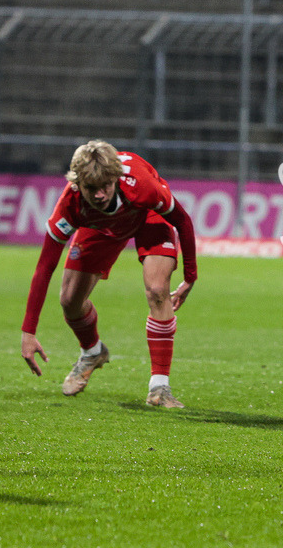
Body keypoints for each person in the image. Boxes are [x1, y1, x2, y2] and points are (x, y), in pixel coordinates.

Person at [21, 140, 197, 408]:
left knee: (158, 290)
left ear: (115, 178)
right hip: (101, 227)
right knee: (69, 301)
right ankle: (92, 351)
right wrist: (28, 332)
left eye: (106, 186)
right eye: (92, 188)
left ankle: (159, 388)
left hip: (146, 216)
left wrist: (190, 276)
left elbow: (182, 220)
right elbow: (45, 267)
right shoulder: (70, 205)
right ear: (78, 184)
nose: (100, 194)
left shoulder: (142, 187)